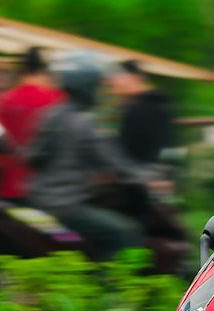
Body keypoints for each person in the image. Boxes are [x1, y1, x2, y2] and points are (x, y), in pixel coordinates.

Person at [26, 54, 146, 259]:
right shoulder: (86, 123)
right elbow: (115, 163)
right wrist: (145, 178)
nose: (101, 92)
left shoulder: (50, 115)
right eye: (98, 86)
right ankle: (116, 288)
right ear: (86, 86)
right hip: (67, 206)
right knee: (127, 232)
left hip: (40, 200)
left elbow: (31, 156)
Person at [0, 47, 64, 199]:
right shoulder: (58, 100)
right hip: (46, 186)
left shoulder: (4, 99)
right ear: (45, 74)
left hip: (10, 183)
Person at [107, 59, 176, 166]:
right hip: (129, 174)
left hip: (148, 176)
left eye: (119, 77)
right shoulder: (126, 108)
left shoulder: (155, 107)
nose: (115, 83)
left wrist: (166, 172)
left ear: (136, 77)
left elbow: (168, 143)